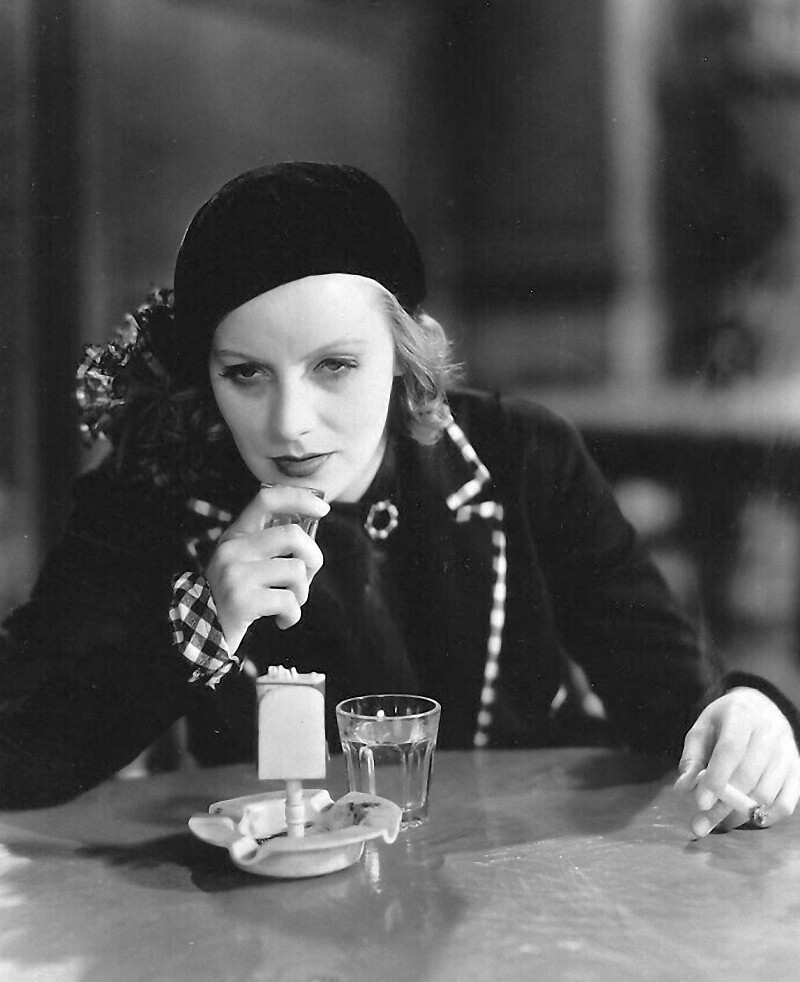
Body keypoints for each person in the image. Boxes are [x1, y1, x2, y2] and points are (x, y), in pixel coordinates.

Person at [0, 162, 797, 839]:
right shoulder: (151, 490)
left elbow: (678, 696)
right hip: (268, 919)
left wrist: (748, 714)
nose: (289, 423)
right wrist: (202, 624)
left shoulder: (522, 455)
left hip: (510, 890)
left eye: (335, 366)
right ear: (205, 376)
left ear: (404, 351)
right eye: (245, 374)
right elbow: (15, 756)